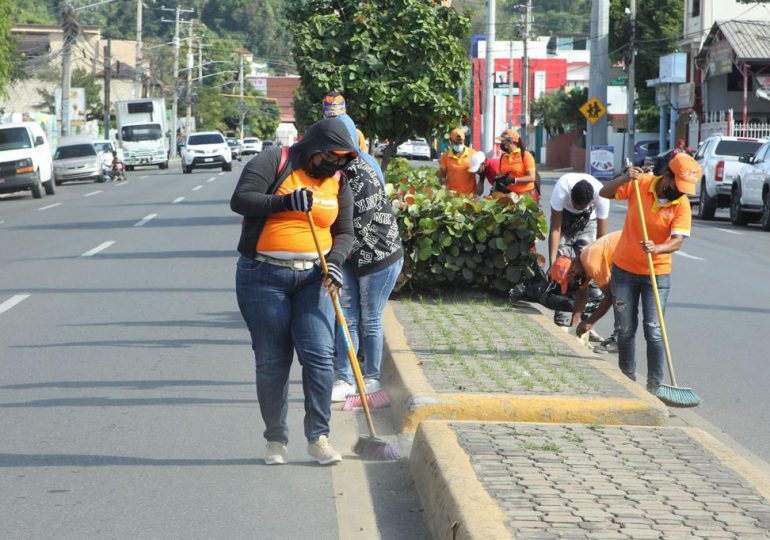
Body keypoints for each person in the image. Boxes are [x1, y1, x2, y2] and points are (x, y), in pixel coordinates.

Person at [230, 117, 357, 465]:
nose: (333, 166)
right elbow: (241, 200)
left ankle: (319, 437)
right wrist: (284, 203)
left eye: (342, 160)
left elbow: (345, 231)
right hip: (262, 276)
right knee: (272, 360)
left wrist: (336, 262)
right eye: (329, 157)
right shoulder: (274, 161)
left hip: (315, 279)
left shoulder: (338, 181)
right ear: (313, 149)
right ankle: (275, 440)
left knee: (318, 356)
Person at [598, 152, 700, 394]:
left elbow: (677, 242)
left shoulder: (681, 204)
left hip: (658, 273)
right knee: (625, 329)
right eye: (679, 185)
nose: (682, 192)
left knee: (654, 330)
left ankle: (654, 387)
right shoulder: (640, 183)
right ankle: (627, 381)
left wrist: (658, 248)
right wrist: (624, 177)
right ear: (666, 177)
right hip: (624, 270)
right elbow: (604, 193)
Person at [330, 117, 404, 402]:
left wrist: (333, 255)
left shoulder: (361, 173)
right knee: (346, 318)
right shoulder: (334, 171)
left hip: (378, 257)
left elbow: (356, 226)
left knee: (369, 319)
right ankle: (345, 378)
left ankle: (371, 378)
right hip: (350, 256)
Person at [547, 173, 610, 330]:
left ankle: (584, 323)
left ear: (590, 202)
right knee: (562, 271)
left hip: (589, 222)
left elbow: (602, 237)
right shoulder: (561, 190)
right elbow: (555, 229)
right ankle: (561, 323)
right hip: (564, 219)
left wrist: (592, 258)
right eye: (575, 204)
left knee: (588, 275)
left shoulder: (601, 195)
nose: (577, 208)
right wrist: (552, 262)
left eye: (579, 207)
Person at [549, 231, 622, 353]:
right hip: (625, 252)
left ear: (572, 272)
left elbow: (610, 296)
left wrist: (589, 322)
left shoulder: (590, 263)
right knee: (619, 293)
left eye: (569, 283)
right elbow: (582, 294)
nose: (573, 286)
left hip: (634, 245)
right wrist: (574, 326)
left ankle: (619, 338)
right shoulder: (581, 266)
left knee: (619, 297)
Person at [493, 129, 537, 199]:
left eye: (503, 141)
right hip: (509, 196)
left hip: (526, 196)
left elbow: (532, 177)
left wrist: (513, 180)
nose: (501, 143)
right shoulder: (503, 157)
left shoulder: (526, 155)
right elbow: (500, 175)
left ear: (510, 141)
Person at [438, 127, 477, 194]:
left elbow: (480, 170)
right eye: (456, 143)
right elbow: (442, 176)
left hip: (470, 196)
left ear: (464, 140)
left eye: (460, 142)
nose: (458, 145)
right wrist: (445, 189)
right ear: (451, 141)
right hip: (453, 196)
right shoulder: (445, 156)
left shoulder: (473, 154)